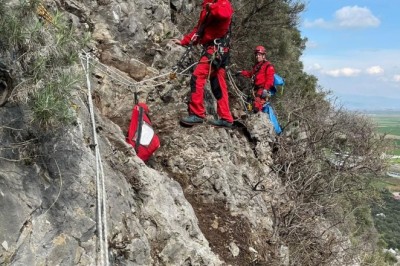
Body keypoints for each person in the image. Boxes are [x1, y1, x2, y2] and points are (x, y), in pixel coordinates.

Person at [172, 0, 234, 128]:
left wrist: (211, 7)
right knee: (218, 83)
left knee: (197, 77)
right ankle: (226, 117)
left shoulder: (222, 3)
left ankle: (197, 114)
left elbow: (224, 13)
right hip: (219, 51)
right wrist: (184, 41)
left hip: (216, 50)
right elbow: (199, 30)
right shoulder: (207, 8)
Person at [236, 45, 275, 113]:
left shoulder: (268, 66)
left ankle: (253, 117)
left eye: (259, 55)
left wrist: (265, 89)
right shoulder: (257, 66)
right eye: (256, 55)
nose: (257, 56)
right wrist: (241, 72)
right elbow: (251, 74)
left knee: (256, 106)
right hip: (255, 89)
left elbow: (270, 79)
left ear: (263, 56)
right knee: (249, 103)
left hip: (262, 90)